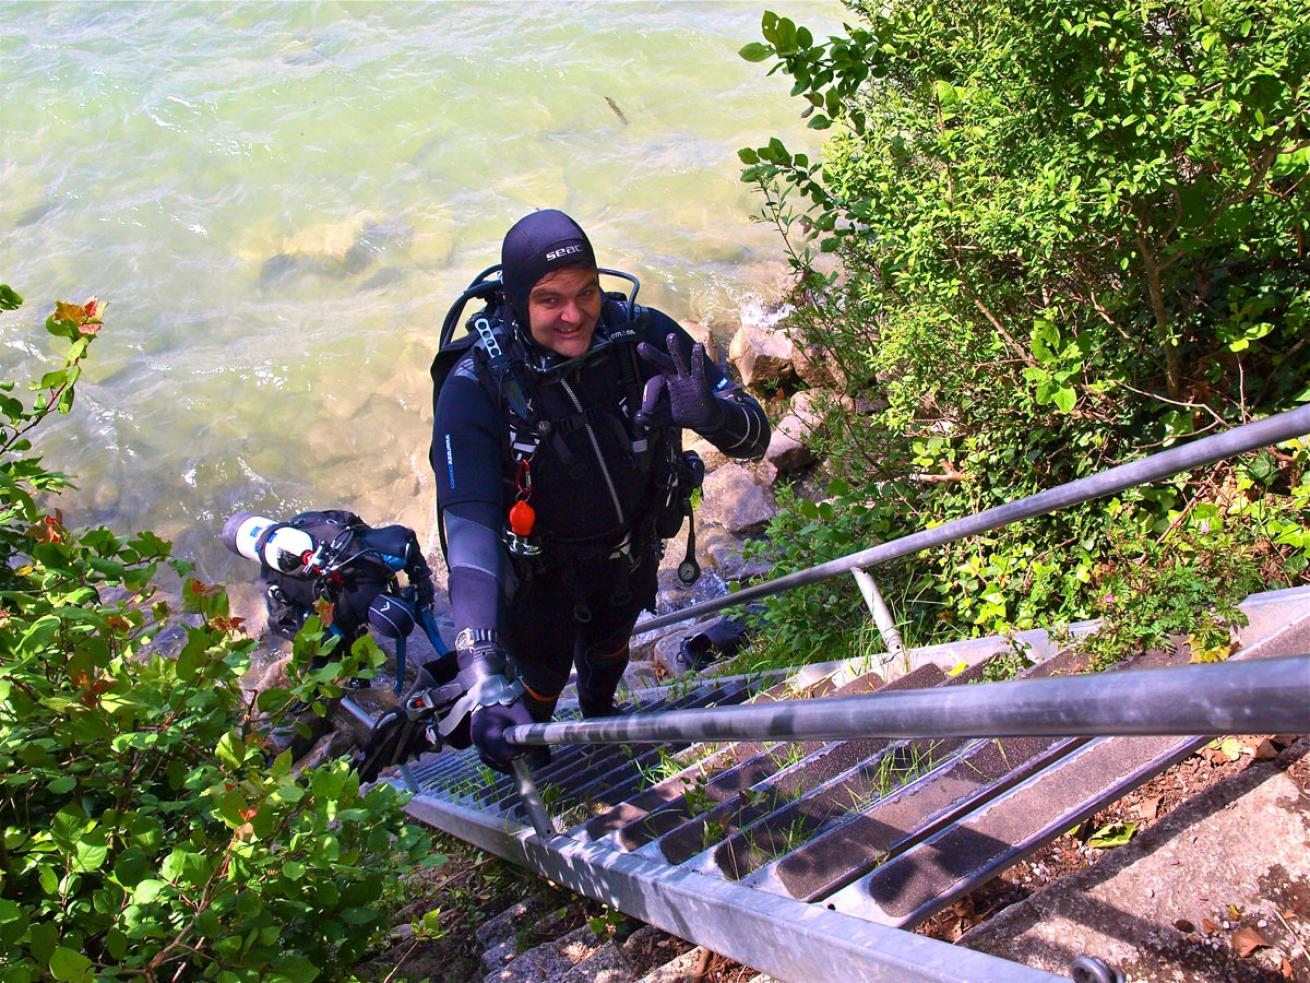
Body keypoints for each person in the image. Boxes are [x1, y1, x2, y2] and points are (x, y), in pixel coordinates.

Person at [366, 210, 771, 778]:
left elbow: (756, 436)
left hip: (629, 555)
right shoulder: (476, 388)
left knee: (609, 649)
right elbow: (470, 536)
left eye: (586, 292)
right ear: (514, 301)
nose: (574, 315)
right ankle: (537, 775)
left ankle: (603, 727)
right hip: (538, 583)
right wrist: (480, 664)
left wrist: (715, 416)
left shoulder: (642, 337)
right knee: (540, 680)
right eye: (549, 299)